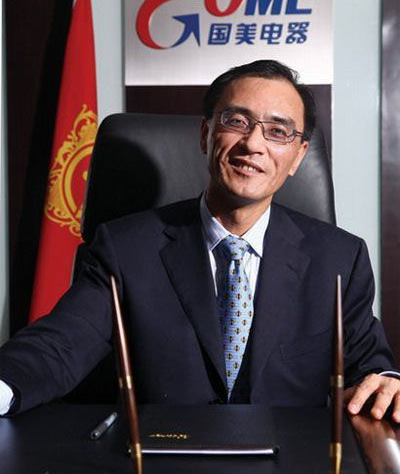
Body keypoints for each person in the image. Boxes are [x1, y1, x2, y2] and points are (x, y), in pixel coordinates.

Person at [0, 60, 399, 420]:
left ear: (298, 156)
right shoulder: (125, 249)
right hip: (161, 457)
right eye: (237, 122)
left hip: (292, 460)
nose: (253, 144)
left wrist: (388, 384)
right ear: (206, 134)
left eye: (277, 131)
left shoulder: (338, 259)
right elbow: (61, 344)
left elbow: (371, 367)